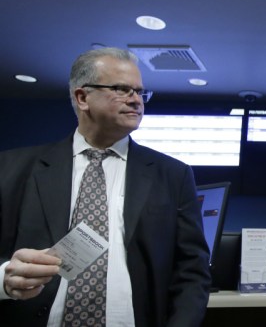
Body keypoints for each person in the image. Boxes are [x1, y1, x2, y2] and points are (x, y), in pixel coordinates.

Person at [0, 47, 211, 326]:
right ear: (82, 97)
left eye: (140, 92)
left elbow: (192, 271)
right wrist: (4, 279)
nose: (136, 101)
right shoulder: (11, 168)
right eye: (122, 89)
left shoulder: (172, 175)